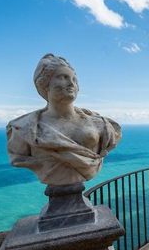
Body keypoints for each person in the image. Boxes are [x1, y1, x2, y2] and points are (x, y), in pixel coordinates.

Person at [6, 54, 121, 185]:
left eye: (74, 79)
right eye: (63, 77)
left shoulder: (102, 125)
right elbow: (18, 157)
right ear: (45, 85)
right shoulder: (23, 128)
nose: (71, 83)